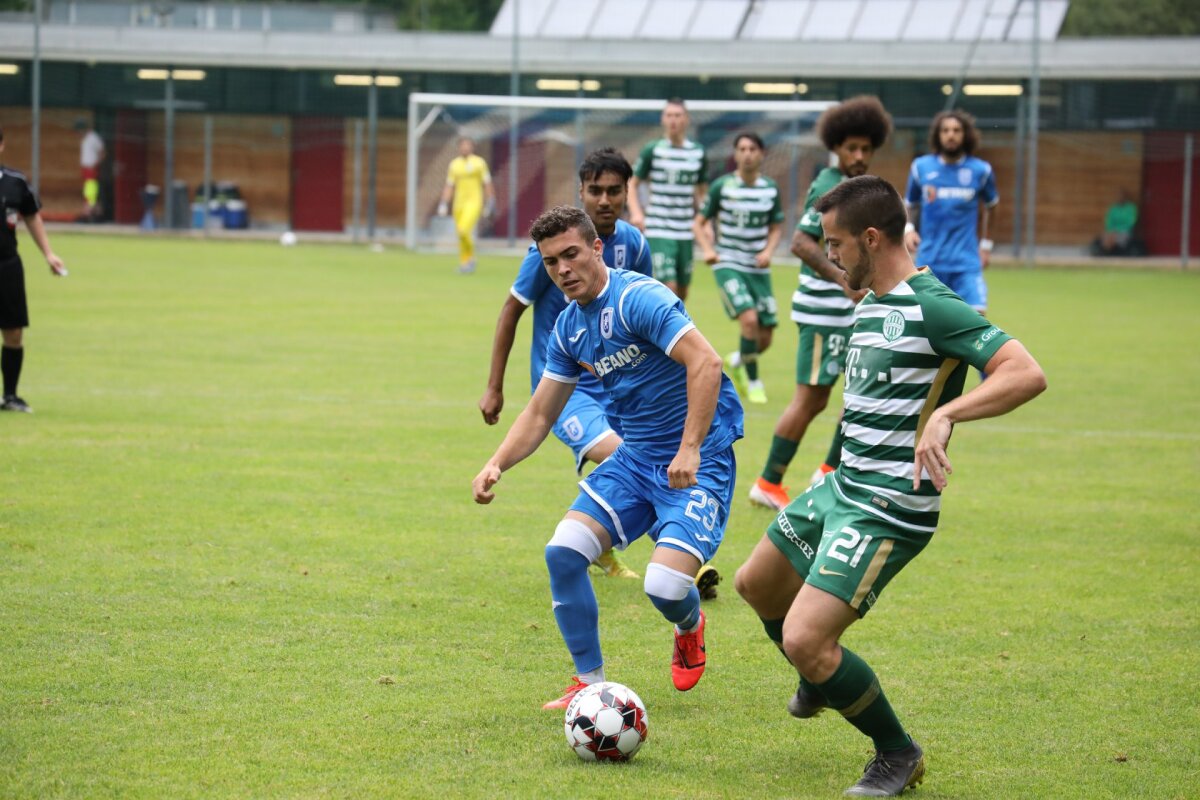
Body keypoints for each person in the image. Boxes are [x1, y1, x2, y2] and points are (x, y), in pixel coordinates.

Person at [734, 175, 1046, 796]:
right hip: (842, 487)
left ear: (872, 238)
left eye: (836, 243)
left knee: (805, 637)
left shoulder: (934, 306)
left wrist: (948, 413)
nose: (830, 255)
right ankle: (818, 678)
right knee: (755, 584)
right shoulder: (870, 302)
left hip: (889, 506)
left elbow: (1026, 372)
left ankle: (897, 754)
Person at [472, 205, 743, 710]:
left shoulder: (637, 298)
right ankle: (589, 684)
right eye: (551, 262)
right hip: (635, 460)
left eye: (571, 254)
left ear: (597, 248)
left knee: (664, 586)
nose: (562, 269)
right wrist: (497, 463)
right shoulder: (569, 328)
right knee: (563, 551)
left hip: (699, 461)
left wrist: (689, 448)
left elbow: (706, 362)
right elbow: (541, 412)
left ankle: (689, 624)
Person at [478, 147, 650, 583]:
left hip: (618, 380)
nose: (604, 200)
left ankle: (598, 543)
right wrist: (495, 386)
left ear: (627, 193)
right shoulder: (551, 250)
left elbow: (645, 315)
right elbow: (511, 310)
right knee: (623, 454)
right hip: (562, 387)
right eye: (595, 191)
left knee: (639, 455)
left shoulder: (635, 245)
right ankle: (683, 556)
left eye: (614, 191)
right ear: (581, 192)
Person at [750, 96, 893, 513]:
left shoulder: (858, 187)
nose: (859, 156)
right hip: (821, 311)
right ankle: (768, 481)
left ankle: (829, 472)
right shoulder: (830, 183)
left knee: (856, 394)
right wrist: (843, 279)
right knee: (811, 399)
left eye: (866, 149)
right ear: (836, 147)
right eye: (852, 148)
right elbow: (800, 242)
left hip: (847, 312)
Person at [694, 131, 784, 406]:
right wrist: (708, 250)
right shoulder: (722, 186)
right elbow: (699, 222)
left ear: (762, 154)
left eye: (752, 149)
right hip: (729, 264)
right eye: (742, 149)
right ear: (735, 154)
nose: (747, 154)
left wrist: (768, 252)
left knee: (764, 338)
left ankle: (737, 360)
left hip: (757, 269)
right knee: (749, 320)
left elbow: (776, 226)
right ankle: (754, 382)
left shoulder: (770, 189)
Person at [0, 126, 68, 413]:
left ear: (2, 146)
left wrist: (48, 254)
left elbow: (31, 216)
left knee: (14, 333)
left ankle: (10, 396)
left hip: (7, 265)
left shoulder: (15, 182)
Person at [903, 109, 998, 315]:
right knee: (926, 321)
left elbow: (992, 206)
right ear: (938, 135)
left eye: (956, 130)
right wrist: (909, 229)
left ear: (965, 135)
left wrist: (986, 245)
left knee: (977, 317)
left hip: (966, 263)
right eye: (945, 130)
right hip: (930, 262)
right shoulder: (921, 167)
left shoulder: (981, 170)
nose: (951, 135)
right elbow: (910, 203)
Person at [628, 98, 708, 302]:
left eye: (678, 115)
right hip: (659, 229)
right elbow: (632, 184)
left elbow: (702, 192)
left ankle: (667, 322)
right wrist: (637, 213)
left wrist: (706, 223)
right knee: (668, 288)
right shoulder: (653, 150)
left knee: (682, 292)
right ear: (663, 119)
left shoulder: (697, 152)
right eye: (669, 115)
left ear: (686, 119)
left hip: (685, 231)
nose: (673, 120)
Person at [437, 136, 495, 275]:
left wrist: (490, 201)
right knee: (461, 234)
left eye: (468, 145)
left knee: (464, 230)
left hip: (474, 202)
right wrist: (443, 203)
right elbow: (450, 185)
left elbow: (487, 183)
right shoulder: (454, 164)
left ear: (472, 147)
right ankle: (465, 263)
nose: (465, 148)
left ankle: (470, 259)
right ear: (459, 147)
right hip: (458, 204)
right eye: (463, 145)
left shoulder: (479, 163)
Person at [1094, 188, 1139, 255]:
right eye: (1118, 196)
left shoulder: (1131, 208)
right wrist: (1111, 230)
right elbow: (1108, 221)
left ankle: (1107, 253)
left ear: (1125, 197)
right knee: (1105, 237)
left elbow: (1131, 222)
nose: (1120, 198)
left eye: (1121, 196)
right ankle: (1106, 252)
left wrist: (1118, 230)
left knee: (1115, 239)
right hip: (1112, 231)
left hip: (1125, 231)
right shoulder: (1113, 208)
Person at [75, 119, 105, 220]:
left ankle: (90, 212)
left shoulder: (94, 138)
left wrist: (95, 164)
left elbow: (102, 152)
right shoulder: (85, 139)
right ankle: (90, 211)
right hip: (85, 168)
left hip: (91, 168)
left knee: (91, 191)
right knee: (88, 190)